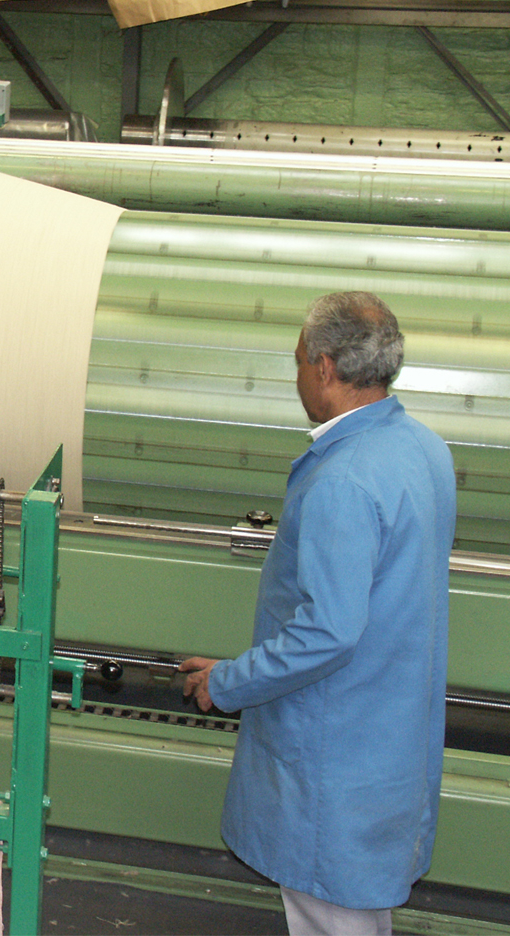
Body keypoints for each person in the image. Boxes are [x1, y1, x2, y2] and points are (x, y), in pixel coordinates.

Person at [180, 292, 456, 936]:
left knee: (332, 914)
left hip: (335, 756)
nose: (299, 375)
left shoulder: (345, 479)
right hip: (388, 741)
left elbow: (326, 633)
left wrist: (228, 682)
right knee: (361, 910)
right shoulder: (424, 450)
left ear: (325, 368)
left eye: (300, 361)